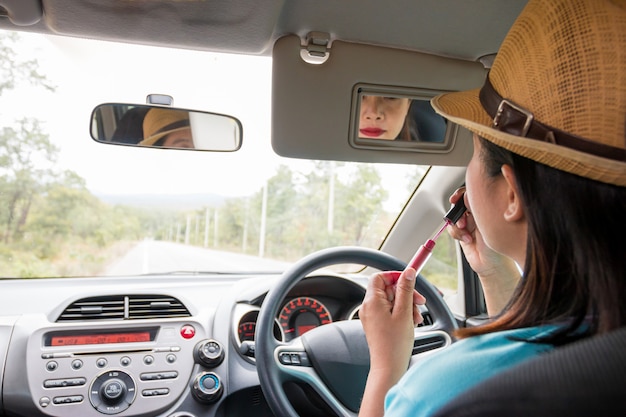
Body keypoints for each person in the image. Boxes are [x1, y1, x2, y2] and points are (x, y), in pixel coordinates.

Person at [358, 0, 626, 416]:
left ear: (513, 195)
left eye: (474, 149)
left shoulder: (449, 392)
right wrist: (493, 273)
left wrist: (386, 369)